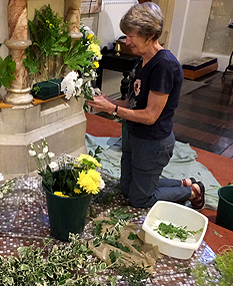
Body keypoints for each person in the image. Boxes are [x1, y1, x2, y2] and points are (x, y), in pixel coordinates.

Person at [87, 2, 205, 209]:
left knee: (140, 198)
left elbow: (150, 116)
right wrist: (107, 102)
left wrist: (112, 109)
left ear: (150, 35)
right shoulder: (140, 60)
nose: (127, 41)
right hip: (133, 134)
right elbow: (132, 102)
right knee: (126, 187)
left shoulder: (164, 66)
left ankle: (191, 191)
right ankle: (183, 182)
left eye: (132, 36)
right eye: (126, 35)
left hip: (153, 141)